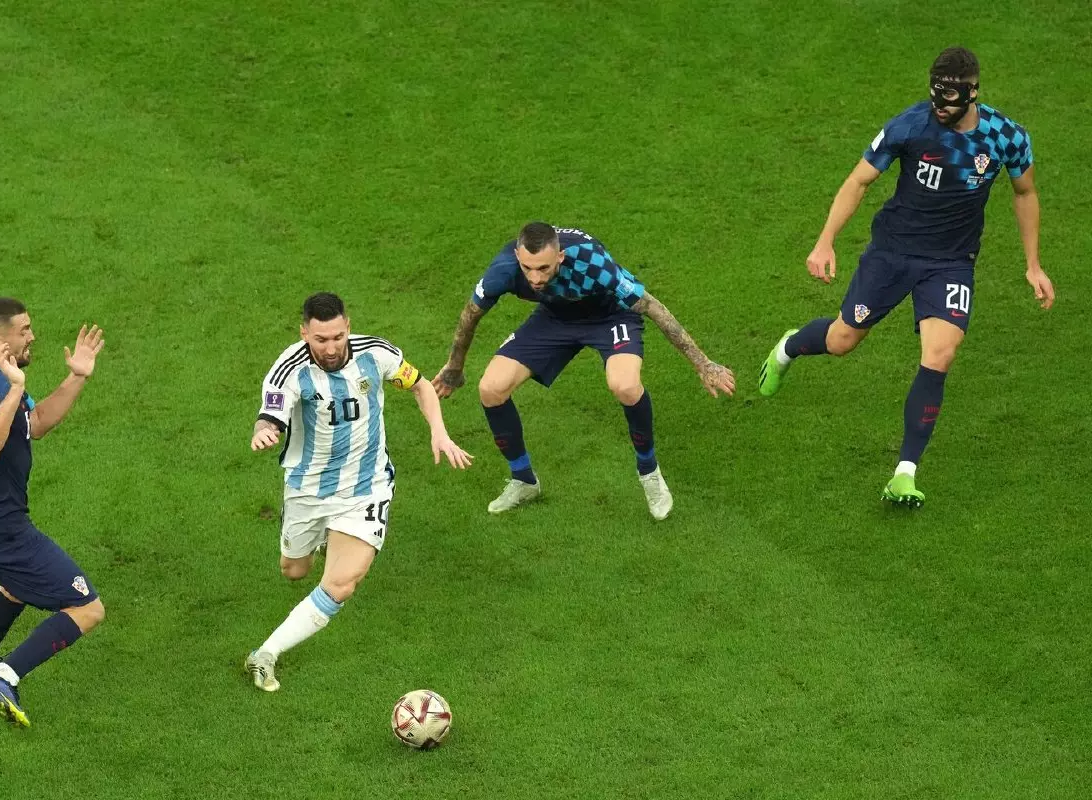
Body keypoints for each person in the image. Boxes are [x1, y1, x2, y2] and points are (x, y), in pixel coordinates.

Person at [757, 46, 1055, 507]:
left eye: (949, 100)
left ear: (972, 92)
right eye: (935, 97)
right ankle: (789, 346)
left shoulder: (1005, 136)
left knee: (940, 352)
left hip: (951, 263)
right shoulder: (910, 126)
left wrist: (1033, 264)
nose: (939, 107)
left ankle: (903, 473)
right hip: (892, 253)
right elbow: (859, 181)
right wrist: (825, 240)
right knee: (842, 340)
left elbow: (1025, 191)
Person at [431, 222, 735, 520]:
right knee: (491, 389)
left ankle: (649, 472)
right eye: (527, 268)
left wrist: (704, 364)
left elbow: (652, 307)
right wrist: (454, 368)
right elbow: (471, 315)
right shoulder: (504, 269)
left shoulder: (591, 263)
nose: (534, 278)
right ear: (518, 256)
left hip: (611, 316)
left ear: (560, 258)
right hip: (556, 318)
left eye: (544, 269)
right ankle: (524, 480)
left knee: (625, 386)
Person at [245, 292, 471, 691]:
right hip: (308, 490)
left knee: (342, 583)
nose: (330, 348)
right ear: (304, 333)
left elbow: (420, 386)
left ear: (347, 326)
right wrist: (265, 432)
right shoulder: (289, 371)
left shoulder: (376, 354)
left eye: (337, 337)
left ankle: (266, 654)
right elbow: (271, 415)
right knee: (294, 571)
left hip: (367, 487)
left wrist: (439, 431)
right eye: (320, 340)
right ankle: (319, 540)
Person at [0, 297, 106, 727]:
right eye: (24, 330)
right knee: (88, 609)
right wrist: (16, 386)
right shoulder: (1, 383)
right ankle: (5, 675)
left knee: (16, 585)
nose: (33, 335)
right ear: (0, 341)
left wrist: (76, 377)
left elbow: (33, 424)